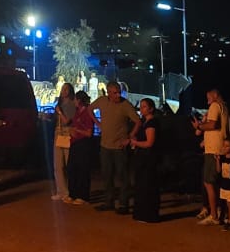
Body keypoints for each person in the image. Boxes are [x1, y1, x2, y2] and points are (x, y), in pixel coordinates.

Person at [92, 82, 140, 214]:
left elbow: (138, 121)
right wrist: (98, 123)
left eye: (119, 92)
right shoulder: (102, 101)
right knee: (107, 175)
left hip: (119, 146)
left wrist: (129, 137)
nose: (118, 95)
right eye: (114, 93)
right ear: (108, 93)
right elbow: (90, 109)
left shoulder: (125, 105)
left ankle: (123, 204)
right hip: (105, 145)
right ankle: (109, 201)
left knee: (122, 176)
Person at [191, 87, 230, 225]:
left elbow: (213, 124)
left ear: (214, 95)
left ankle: (214, 215)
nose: (207, 101)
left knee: (209, 182)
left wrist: (199, 126)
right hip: (221, 148)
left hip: (213, 150)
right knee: (220, 183)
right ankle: (222, 212)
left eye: (208, 97)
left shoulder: (215, 106)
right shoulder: (224, 107)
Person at [129, 97, 161, 223]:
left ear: (151, 109)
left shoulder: (152, 123)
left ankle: (148, 215)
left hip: (148, 159)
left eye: (144, 107)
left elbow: (149, 142)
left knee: (147, 186)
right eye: (141, 106)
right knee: (141, 186)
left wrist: (136, 143)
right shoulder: (144, 122)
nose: (141, 109)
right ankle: (142, 213)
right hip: (142, 158)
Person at [66, 90, 97, 204]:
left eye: (75, 99)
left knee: (82, 170)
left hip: (84, 144)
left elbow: (89, 133)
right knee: (72, 168)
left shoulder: (88, 113)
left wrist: (76, 130)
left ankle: (83, 196)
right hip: (74, 143)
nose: (74, 101)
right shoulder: (77, 112)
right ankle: (72, 193)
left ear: (79, 100)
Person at [52, 83, 77, 200]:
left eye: (66, 89)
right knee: (57, 164)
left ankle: (71, 191)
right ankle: (61, 191)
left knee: (68, 162)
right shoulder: (60, 103)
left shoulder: (71, 104)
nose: (64, 91)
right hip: (58, 131)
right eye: (63, 89)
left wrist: (60, 112)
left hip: (66, 132)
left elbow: (67, 121)